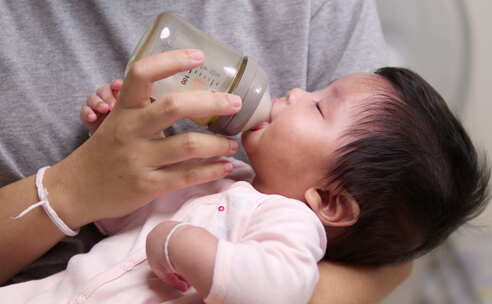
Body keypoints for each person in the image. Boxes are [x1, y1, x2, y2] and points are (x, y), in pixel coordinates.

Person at [0, 1, 413, 302]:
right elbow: (125, 212)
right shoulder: (222, 177)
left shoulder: (293, 225)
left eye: (319, 106)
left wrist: (176, 243)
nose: (297, 91)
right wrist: (108, 148)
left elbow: (276, 290)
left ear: (329, 201)